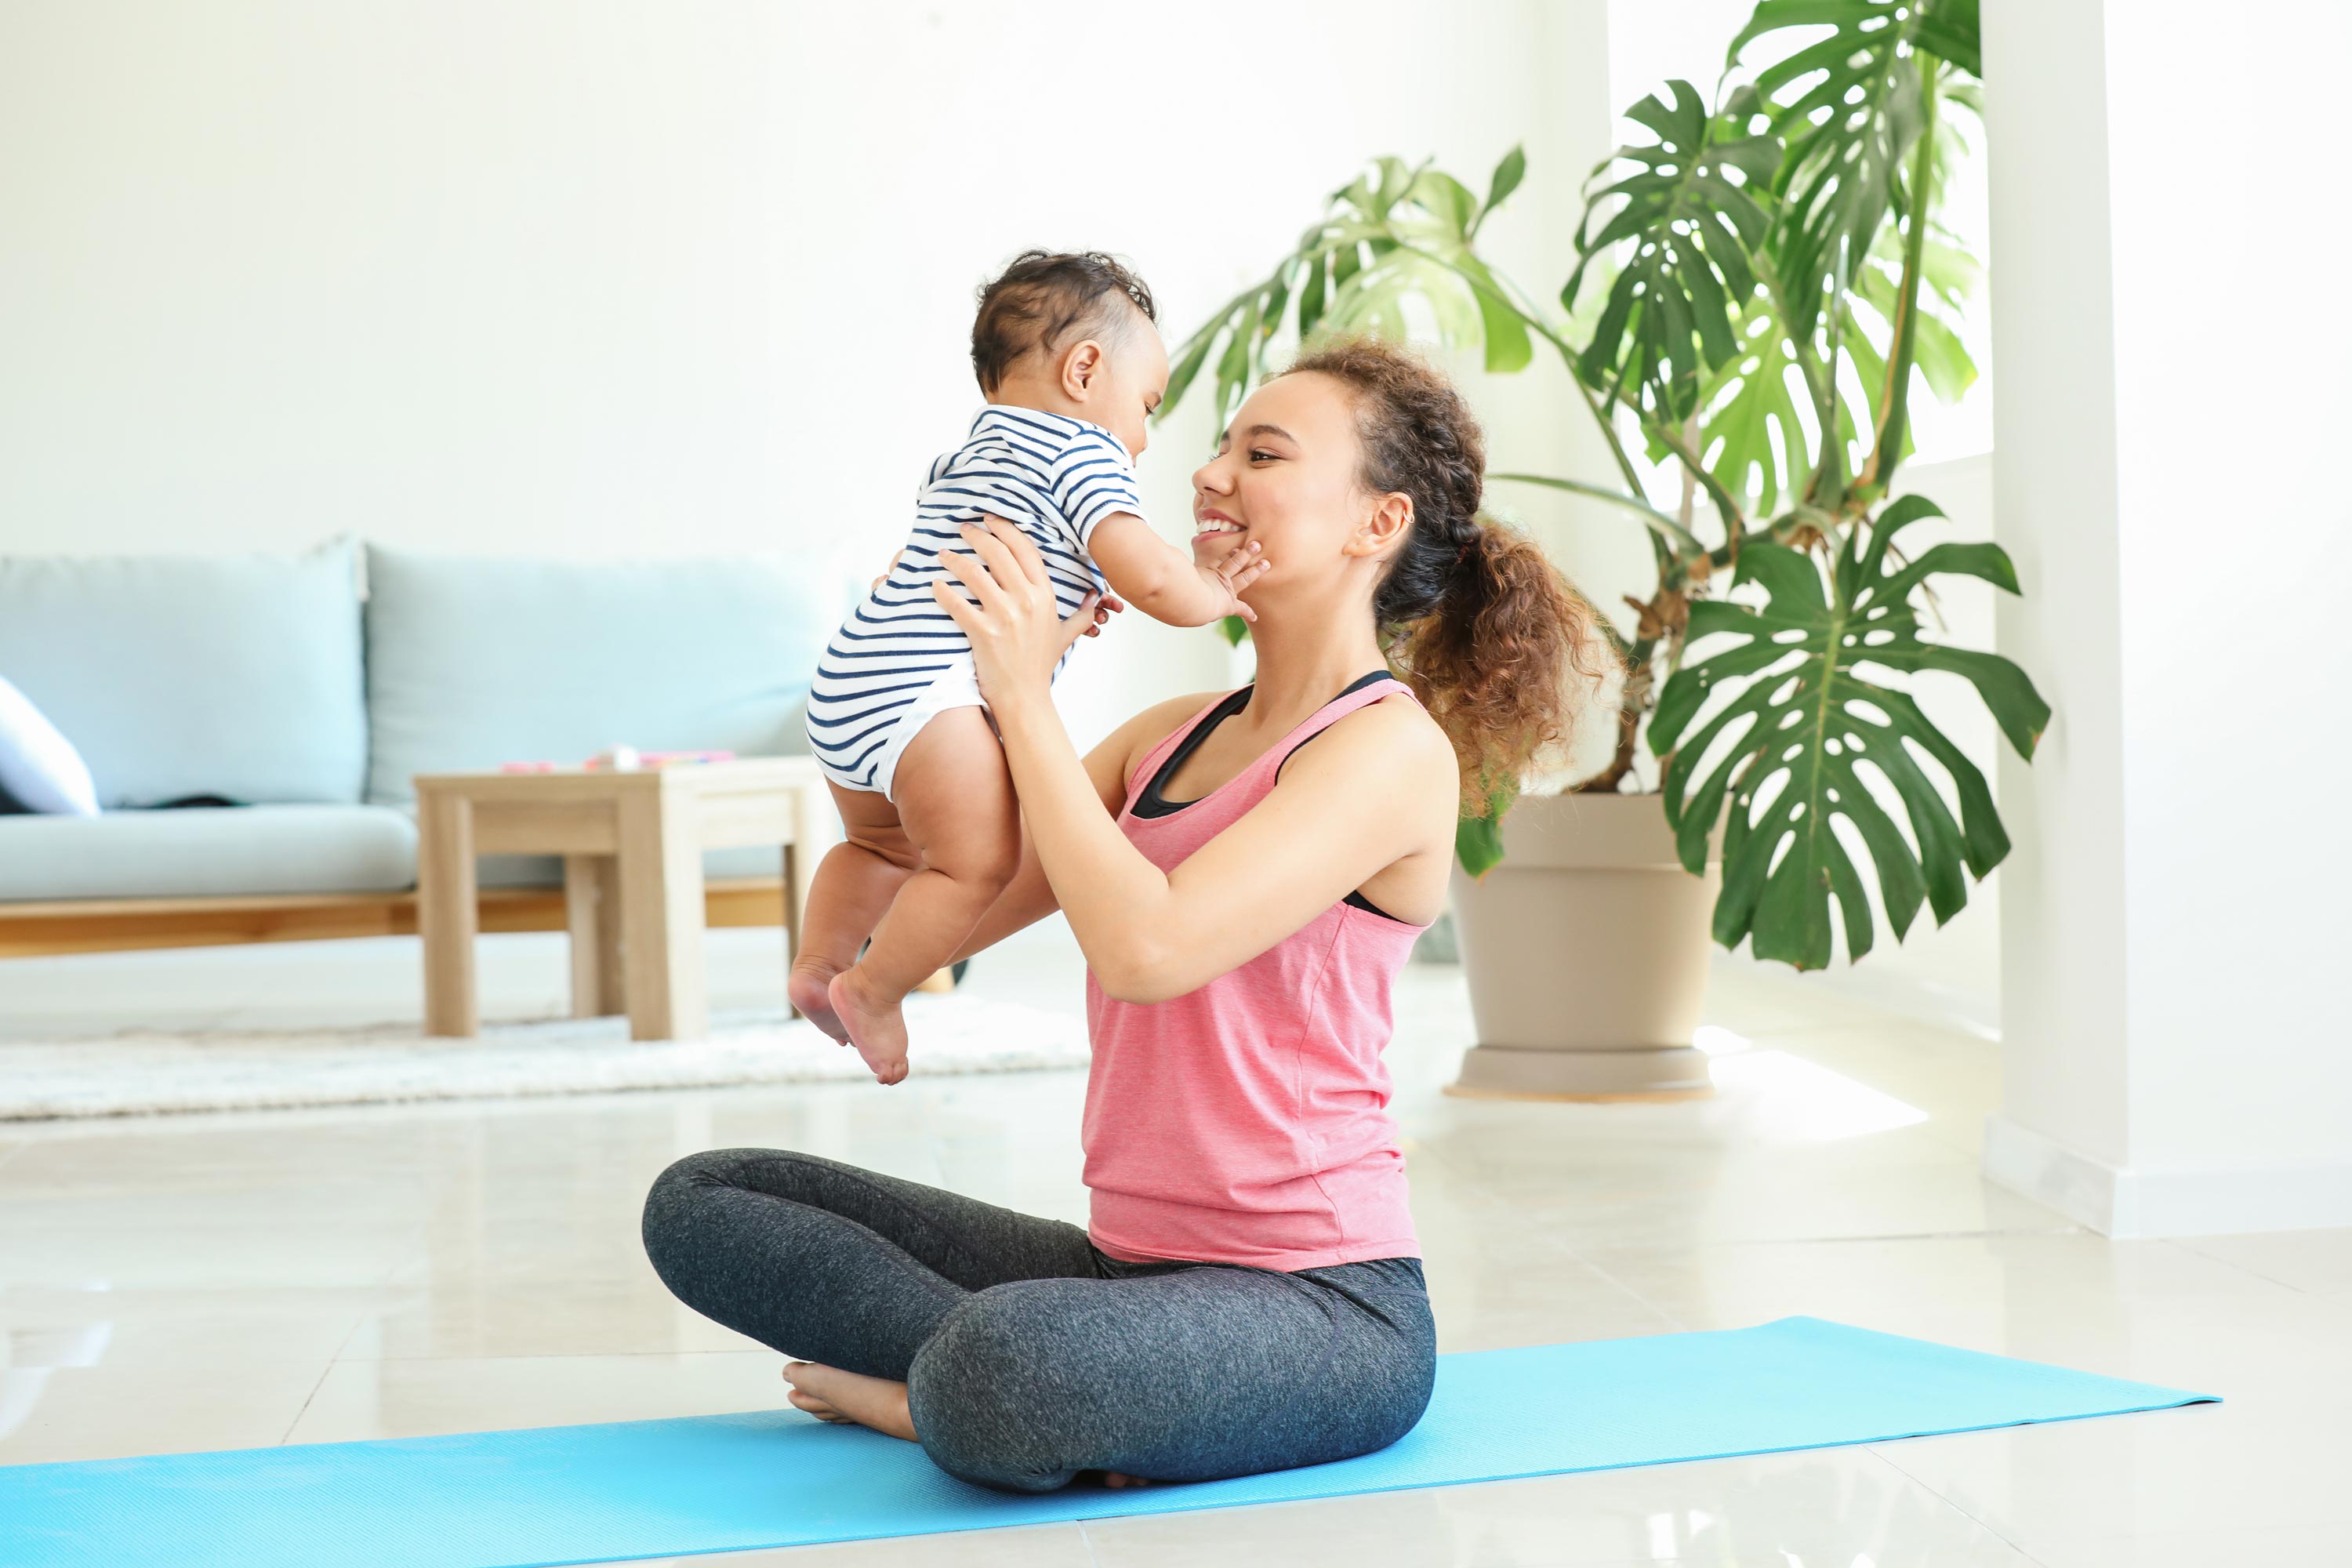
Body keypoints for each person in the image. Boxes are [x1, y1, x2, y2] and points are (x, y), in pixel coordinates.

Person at [644, 339, 1607, 1492]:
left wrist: (1020, 695)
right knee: (704, 1201)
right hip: (1128, 1268)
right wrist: (933, 686)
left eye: (1263, 453)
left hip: (1325, 1304)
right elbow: (942, 903)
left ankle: (966, 1393)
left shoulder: (1389, 751)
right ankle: (1022, 1385)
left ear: (1374, 522)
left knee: (1007, 1363)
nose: (1208, 475)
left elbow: (1148, 948)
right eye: (1216, 448)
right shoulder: (1171, 735)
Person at [793, 250, 1265, 1084]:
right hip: (926, 695)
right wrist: (1214, 589)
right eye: (1148, 404)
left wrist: (1071, 606)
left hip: (854, 673)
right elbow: (1153, 574)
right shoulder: (1083, 452)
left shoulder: (971, 452)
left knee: (879, 847)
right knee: (978, 861)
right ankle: (872, 988)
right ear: (1086, 369)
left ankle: (818, 961)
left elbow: (972, 558)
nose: (1145, 434)